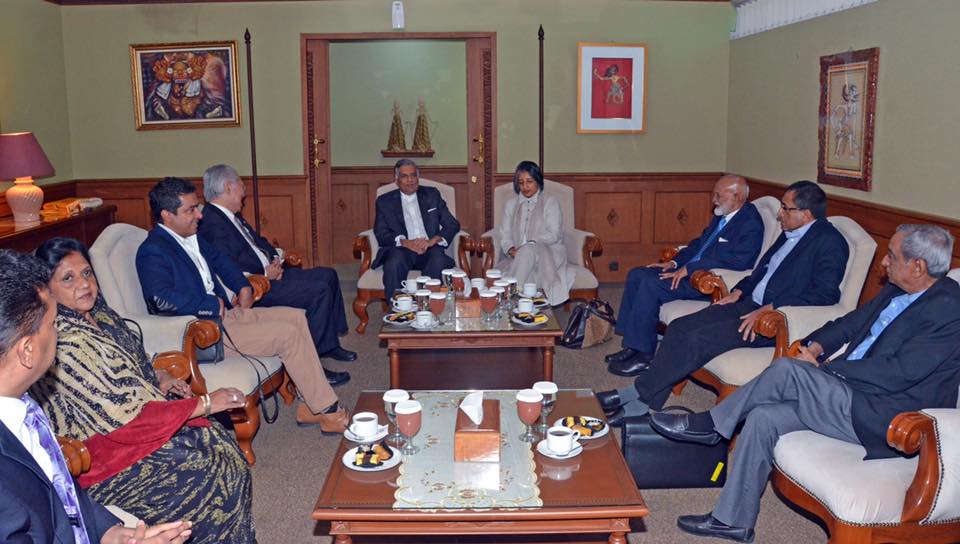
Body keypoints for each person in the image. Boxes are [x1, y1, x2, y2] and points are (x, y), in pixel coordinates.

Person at [648, 224, 960, 543]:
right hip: (853, 396)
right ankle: (732, 520)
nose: (883, 262)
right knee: (762, 417)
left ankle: (713, 425)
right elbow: (850, 323)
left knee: (787, 370)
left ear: (917, 266)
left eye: (891, 256)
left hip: (888, 417)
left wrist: (825, 370)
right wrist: (814, 346)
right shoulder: (899, 288)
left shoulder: (949, 309)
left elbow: (900, 372)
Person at [30, 237, 255, 544]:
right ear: (47, 290)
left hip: (136, 430)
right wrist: (204, 403)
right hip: (102, 455)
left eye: (86, 273)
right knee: (207, 473)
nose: (83, 284)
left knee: (220, 447)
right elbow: (124, 412)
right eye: (67, 278)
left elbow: (131, 361)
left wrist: (158, 375)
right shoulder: (66, 340)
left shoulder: (100, 314)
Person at [599, 180, 849, 420]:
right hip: (747, 304)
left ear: (805, 214)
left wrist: (772, 307)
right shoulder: (790, 232)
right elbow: (761, 272)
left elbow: (826, 294)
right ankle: (644, 399)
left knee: (698, 339)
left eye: (785, 208)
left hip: (771, 321)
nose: (779, 214)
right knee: (680, 327)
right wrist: (738, 292)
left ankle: (636, 397)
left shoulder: (830, 242)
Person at [0, 249, 193, 544]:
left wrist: (111, 533)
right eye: (53, 324)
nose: (58, 332)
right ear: (28, 350)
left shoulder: (20, 406)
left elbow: (59, 490)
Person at [135, 177, 348, 431]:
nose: (199, 215)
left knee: (296, 316)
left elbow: (221, 261)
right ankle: (327, 411)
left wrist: (243, 286)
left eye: (197, 208)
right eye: (190, 210)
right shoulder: (153, 250)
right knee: (287, 334)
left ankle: (309, 406)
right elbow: (159, 299)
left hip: (225, 316)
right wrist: (209, 304)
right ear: (167, 215)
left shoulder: (190, 236)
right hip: (202, 332)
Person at [198, 163, 355, 386]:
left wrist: (275, 260)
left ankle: (328, 344)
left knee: (328, 275)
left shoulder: (230, 215)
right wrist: (265, 274)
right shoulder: (212, 223)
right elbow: (227, 267)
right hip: (257, 287)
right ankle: (313, 363)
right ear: (228, 187)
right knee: (318, 291)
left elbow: (258, 243)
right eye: (241, 184)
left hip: (271, 274)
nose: (244, 190)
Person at [607, 175, 763, 368]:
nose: (714, 200)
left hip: (706, 281)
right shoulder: (723, 213)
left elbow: (739, 262)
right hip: (688, 271)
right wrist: (674, 263)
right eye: (714, 194)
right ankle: (632, 345)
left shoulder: (750, 223)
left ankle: (644, 356)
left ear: (737, 196)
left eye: (719, 196)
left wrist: (690, 269)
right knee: (637, 274)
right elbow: (699, 245)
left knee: (650, 285)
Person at [372, 159, 461, 299]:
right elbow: (381, 233)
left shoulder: (432, 195)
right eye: (404, 176)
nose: (410, 180)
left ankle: (429, 306)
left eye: (413, 175)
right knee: (394, 263)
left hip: (429, 248)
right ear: (396, 180)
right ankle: (397, 307)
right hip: (401, 249)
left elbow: (452, 224)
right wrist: (405, 242)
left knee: (438, 261)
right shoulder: (385, 201)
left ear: (418, 177)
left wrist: (432, 241)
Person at [495, 161, 572, 306]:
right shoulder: (511, 205)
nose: (525, 186)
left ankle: (508, 297)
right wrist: (510, 249)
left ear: (538, 180)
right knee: (527, 269)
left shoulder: (550, 202)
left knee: (528, 250)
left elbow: (554, 234)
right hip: (518, 256)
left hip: (548, 252)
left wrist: (529, 244)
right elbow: (505, 233)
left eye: (529, 181)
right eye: (521, 183)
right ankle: (526, 307)